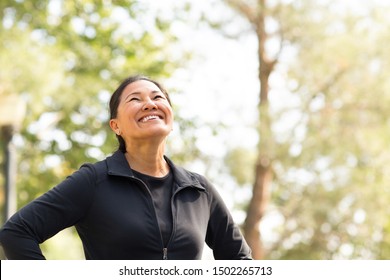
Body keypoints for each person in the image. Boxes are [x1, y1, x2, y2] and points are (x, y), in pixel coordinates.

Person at [0, 75, 252, 260]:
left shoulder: (199, 189)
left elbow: (240, 262)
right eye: (135, 99)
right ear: (116, 126)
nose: (150, 103)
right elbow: (17, 232)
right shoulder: (94, 181)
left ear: (170, 118)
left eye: (157, 98)